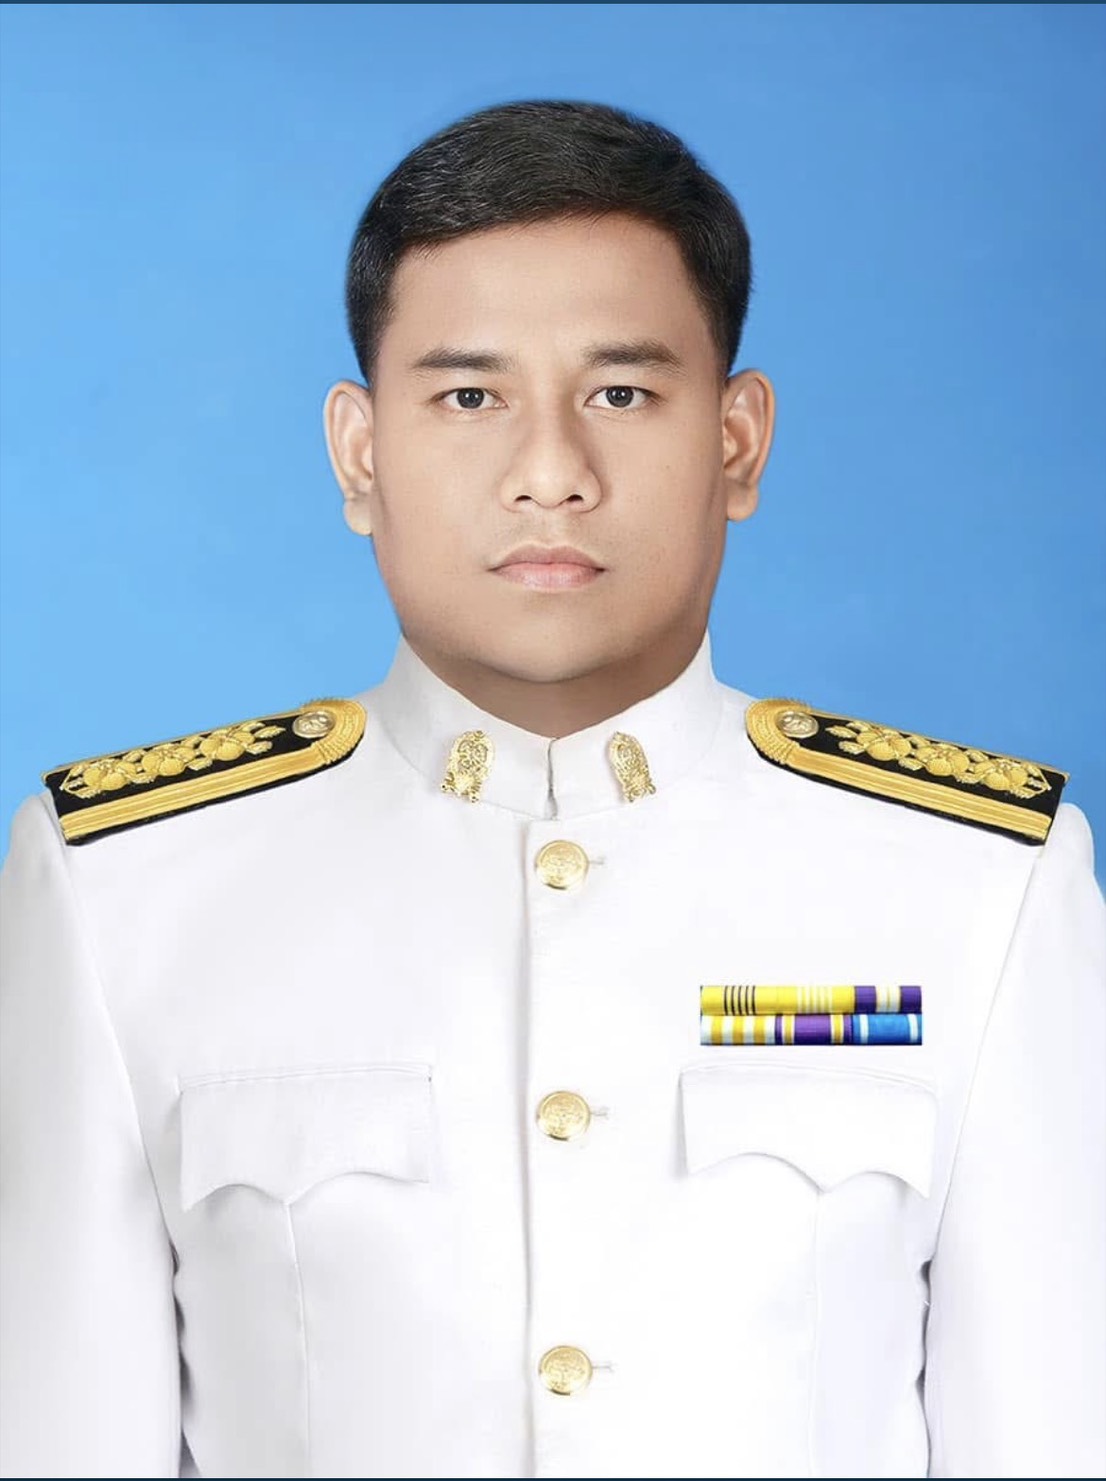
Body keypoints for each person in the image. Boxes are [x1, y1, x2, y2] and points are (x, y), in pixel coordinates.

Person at [0, 99, 1102, 1481]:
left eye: (620, 394)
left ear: (737, 442)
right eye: (470, 397)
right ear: (359, 453)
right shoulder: (119, 889)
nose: (549, 475)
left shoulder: (979, 887)